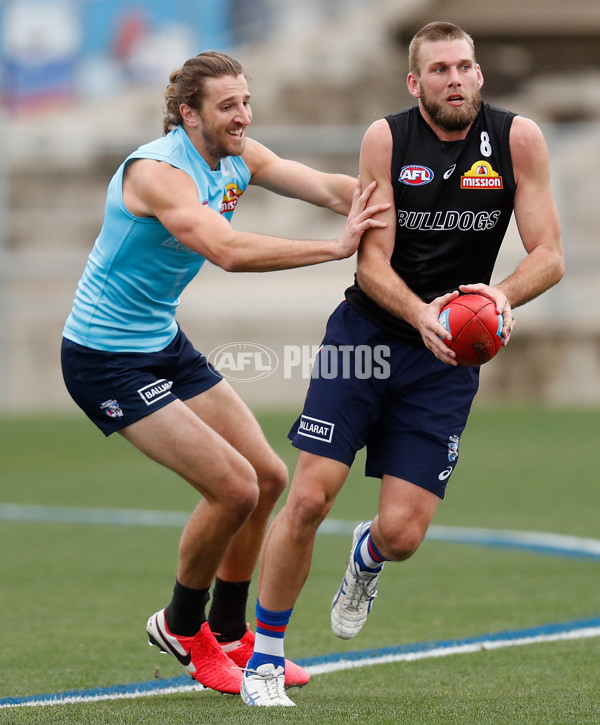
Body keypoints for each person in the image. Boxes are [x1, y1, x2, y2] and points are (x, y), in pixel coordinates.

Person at [242, 21, 565, 707]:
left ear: (480, 75)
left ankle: (367, 557)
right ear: (415, 83)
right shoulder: (386, 139)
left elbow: (550, 256)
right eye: (440, 69)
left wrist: (496, 296)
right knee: (308, 496)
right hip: (368, 334)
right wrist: (423, 314)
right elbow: (373, 261)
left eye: (466, 66)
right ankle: (264, 655)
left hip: (447, 359)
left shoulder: (517, 140)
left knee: (404, 533)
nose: (456, 78)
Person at [60, 51, 388, 695]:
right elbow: (228, 251)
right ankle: (183, 627)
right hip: (104, 359)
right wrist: (334, 247)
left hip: (160, 341)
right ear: (189, 114)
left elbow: (327, 187)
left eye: (246, 102)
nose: (242, 116)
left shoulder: (237, 155)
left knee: (267, 478)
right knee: (234, 488)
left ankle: (233, 634)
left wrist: (421, 204)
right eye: (227, 106)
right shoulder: (157, 173)